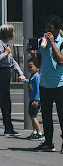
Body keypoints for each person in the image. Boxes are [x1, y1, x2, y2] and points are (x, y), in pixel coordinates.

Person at [29, 15, 63, 152]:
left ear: (57, 29)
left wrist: (52, 43)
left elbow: (60, 61)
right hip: (45, 84)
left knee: (62, 115)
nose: (47, 30)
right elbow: (37, 64)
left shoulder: (61, 42)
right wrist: (33, 54)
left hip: (60, 84)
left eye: (51, 28)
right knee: (46, 116)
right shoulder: (42, 42)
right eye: (46, 27)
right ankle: (48, 142)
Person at [19, 57, 44, 140]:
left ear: (37, 67)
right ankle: (35, 132)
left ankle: (40, 133)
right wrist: (25, 80)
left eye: (31, 66)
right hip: (32, 99)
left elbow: (38, 89)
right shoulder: (32, 76)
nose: (29, 69)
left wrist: (36, 100)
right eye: (28, 67)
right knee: (32, 116)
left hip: (34, 100)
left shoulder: (37, 77)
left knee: (33, 117)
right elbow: (30, 82)